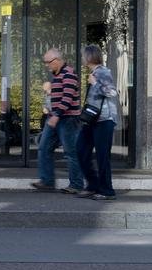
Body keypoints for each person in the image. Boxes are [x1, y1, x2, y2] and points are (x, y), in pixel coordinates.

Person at [29, 48, 86, 192]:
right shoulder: (57, 74)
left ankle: (76, 185)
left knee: (71, 152)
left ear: (57, 60)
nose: (47, 65)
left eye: (48, 62)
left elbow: (67, 98)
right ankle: (47, 181)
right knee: (44, 148)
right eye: (45, 62)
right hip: (55, 118)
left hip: (67, 119)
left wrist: (56, 115)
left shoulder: (69, 74)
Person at [74, 43, 119, 200]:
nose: (82, 58)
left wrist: (95, 83)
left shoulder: (103, 72)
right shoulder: (94, 72)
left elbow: (112, 91)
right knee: (81, 150)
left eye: (83, 56)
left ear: (89, 57)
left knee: (102, 156)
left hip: (104, 120)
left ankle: (107, 191)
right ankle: (93, 185)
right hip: (92, 120)